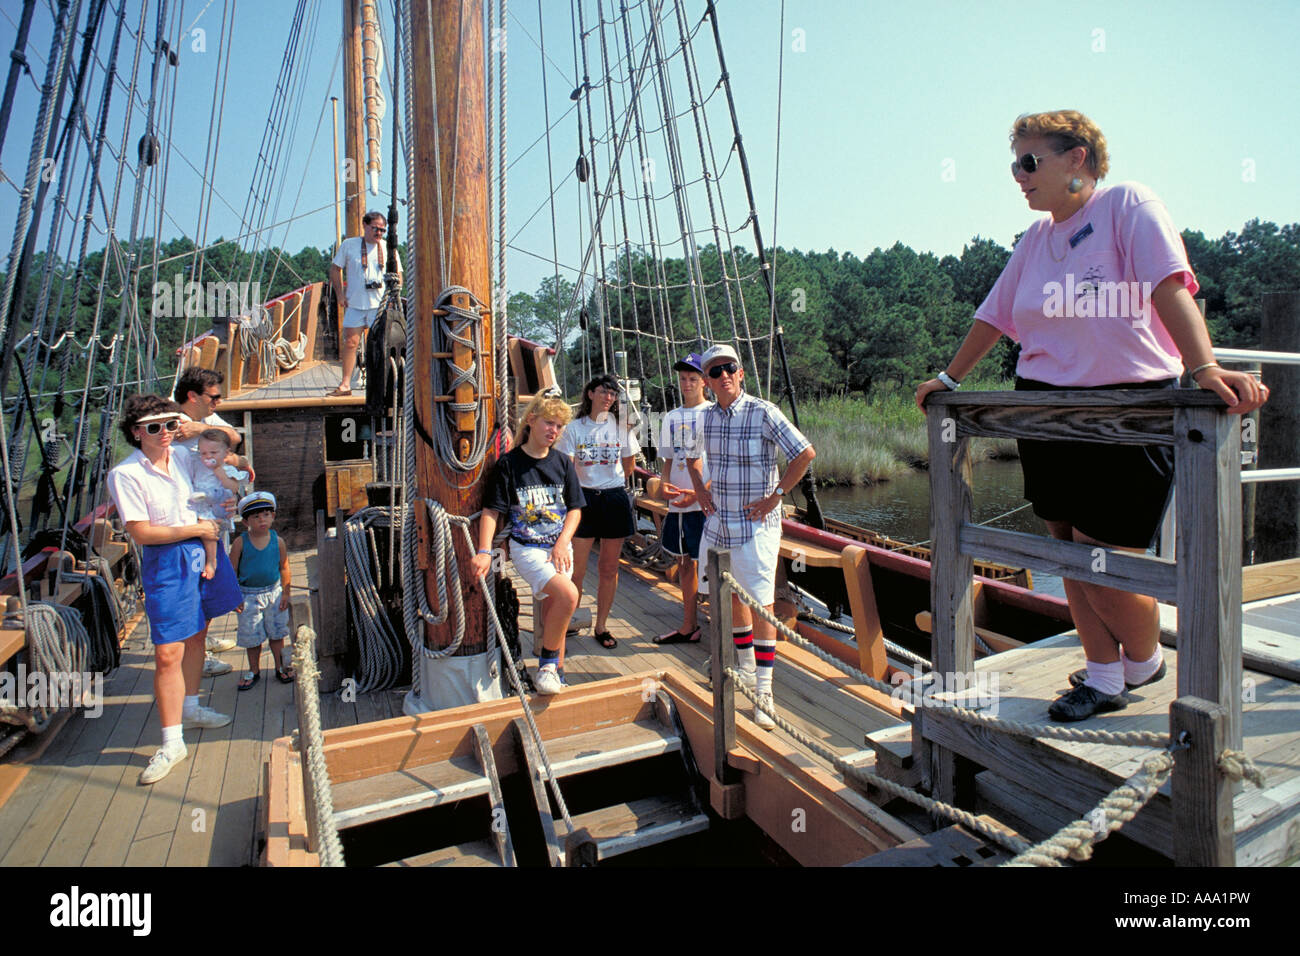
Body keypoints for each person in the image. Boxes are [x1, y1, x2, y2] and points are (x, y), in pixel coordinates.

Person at [915, 109, 1269, 722]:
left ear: (1077, 158)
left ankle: (1145, 660)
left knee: (1104, 560)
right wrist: (949, 379)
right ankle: (1104, 676)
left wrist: (1205, 370)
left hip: (1124, 412)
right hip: (1045, 412)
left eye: (1031, 162)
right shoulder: (1034, 241)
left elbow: (1169, 287)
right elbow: (994, 316)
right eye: (1014, 165)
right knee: (1063, 554)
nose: (1019, 176)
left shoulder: (1127, 206)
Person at [106, 395, 244, 784]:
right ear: (136, 433)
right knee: (168, 651)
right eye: (154, 427)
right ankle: (171, 742)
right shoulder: (126, 475)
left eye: (169, 424)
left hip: (204, 550)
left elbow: (232, 445)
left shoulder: (186, 456)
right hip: (167, 557)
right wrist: (197, 529)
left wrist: (227, 499)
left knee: (199, 633)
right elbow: (142, 532)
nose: (164, 433)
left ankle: (193, 705)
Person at [687, 344, 816, 730]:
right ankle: (742, 667)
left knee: (760, 604)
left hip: (756, 525)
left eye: (729, 368)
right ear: (708, 382)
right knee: (728, 595)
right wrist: (700, 489)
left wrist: (775, 497)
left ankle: (765, 691)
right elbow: (691, 457)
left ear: (740, 373)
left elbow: (805, 453)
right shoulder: (706, 418)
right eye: (714, 372)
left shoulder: (763, 412)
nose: (723, 375)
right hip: (719, 522)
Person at [472, 394, 584, 695]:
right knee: (568, 596)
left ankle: (555, 673)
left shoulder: (562, 463)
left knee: (554, 608)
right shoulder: (509, 465)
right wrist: (484, 551)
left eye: (560, 426)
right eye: (549, 422)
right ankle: (547, 665)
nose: (554, 431)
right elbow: (491, 511)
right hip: (528, 548)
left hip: (560, 548)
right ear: (531, 420)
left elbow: (575, 508)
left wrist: (563, 542)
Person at [555, 373, 640, 650]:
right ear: (590, 394)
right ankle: (570, 619)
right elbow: (566, 469)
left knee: (608, 567)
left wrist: (612, 484)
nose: (608, 397)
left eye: (613, 394)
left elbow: (628, 464)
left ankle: (601, 626)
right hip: (584, 500)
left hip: (613, 497)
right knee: (576, 570)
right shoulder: (574, 429)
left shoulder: (621, 427)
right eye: (604, 391)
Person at [173, 366, 246, 668]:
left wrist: (204, 431)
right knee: (196, 584)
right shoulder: (173, 426)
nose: (218, 403)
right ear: (193, 396)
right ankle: (195, 657)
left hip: (213, 514)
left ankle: (202, 641)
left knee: (207, 582)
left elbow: (234, 439)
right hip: (190, 520)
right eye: (214, 397)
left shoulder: (203, 421)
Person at [652, 352, 712, 645]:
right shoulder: (671, 418)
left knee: (712, 568)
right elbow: (666, 460)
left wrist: (703, 492)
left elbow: (724, 463)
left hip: (706, 506)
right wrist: (664, 485)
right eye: (683, 379)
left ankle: (723, 632)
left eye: (692, 379)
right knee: (685, 564)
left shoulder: (714, 414)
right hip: (677, 505)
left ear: (704, 382)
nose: (687, 384)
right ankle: (689, 625)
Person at [329, 210, 403, 397]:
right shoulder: (349, 245)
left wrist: (393, 296)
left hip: (379, 305)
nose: (379, 233)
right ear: (365, 225)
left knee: (380, 344)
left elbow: (398, 274)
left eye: (382, 230)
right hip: (355, 303)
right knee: (351, 343)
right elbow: (335, 269)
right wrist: (340, 295)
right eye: (375, 229)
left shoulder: (388, 248)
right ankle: (346, 384)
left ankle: (381, 385)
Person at [229, 492, 294, 690]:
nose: (261, 520)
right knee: (252, 637)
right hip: (248, 596)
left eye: (266, 514)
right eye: (255, 517)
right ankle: (254, 670)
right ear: (246, 521)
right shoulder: (240, 543)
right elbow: (232, 571)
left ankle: (280, 667)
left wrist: (286, 592)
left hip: (274, 594)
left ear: (273, 516)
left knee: (277, 634)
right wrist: (234, 597)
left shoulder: (278, 541)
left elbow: (284, 567)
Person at [191, 429, 250, 579]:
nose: (208, 457)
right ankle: (212, 560)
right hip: (202, 506)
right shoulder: (196, 466)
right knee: (208, 531)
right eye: (203, 453)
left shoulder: (226, 469)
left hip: (219, 506)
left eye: (213, 453)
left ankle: (213, 561)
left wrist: (219, 472)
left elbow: (234, 488)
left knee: (215, 534)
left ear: (226, 454)